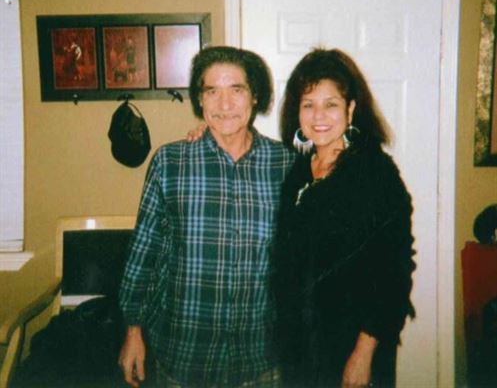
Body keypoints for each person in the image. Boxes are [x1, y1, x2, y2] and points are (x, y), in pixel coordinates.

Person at [118, 46, 295, 387]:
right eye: (212, 91)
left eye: (236, 90)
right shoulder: (170, 163)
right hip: (184, 354)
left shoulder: (286, 165)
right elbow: (144, 253)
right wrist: (132, 330)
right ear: (200, 100)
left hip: (261, 356)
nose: (224, 104)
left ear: (255, 96)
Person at [273, 48, 416, 388]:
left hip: (352, 345)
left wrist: (364, 353)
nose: (318, 116)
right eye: (308, 104)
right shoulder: (297, 170)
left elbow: (394, 270)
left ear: (351, 109)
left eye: (331, 104)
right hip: (301, 347)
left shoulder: (375, 173)